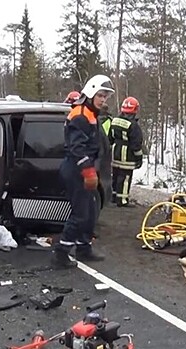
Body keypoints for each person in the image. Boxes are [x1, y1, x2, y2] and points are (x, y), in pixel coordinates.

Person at [51, 74, 115, 269]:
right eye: (101, 95)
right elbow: (76, 147)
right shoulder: (80, 115)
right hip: (76, 169)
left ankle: (83, 248)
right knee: (79, 213)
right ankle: (61, 252)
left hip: (85, 168)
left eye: (105, 96)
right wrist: (88, 170)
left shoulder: (90, 113)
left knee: (89, 211)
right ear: (91, 93)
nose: (103, 100)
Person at [108, 96, 143, 207]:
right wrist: (139, 158)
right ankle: (122, 200)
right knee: (125, 178)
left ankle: (113, 197)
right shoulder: (133, 126)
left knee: (115, 176)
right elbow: (136, 144)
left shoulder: (114, 121)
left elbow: (110, 138)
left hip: (115, 152)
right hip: (127, 155)